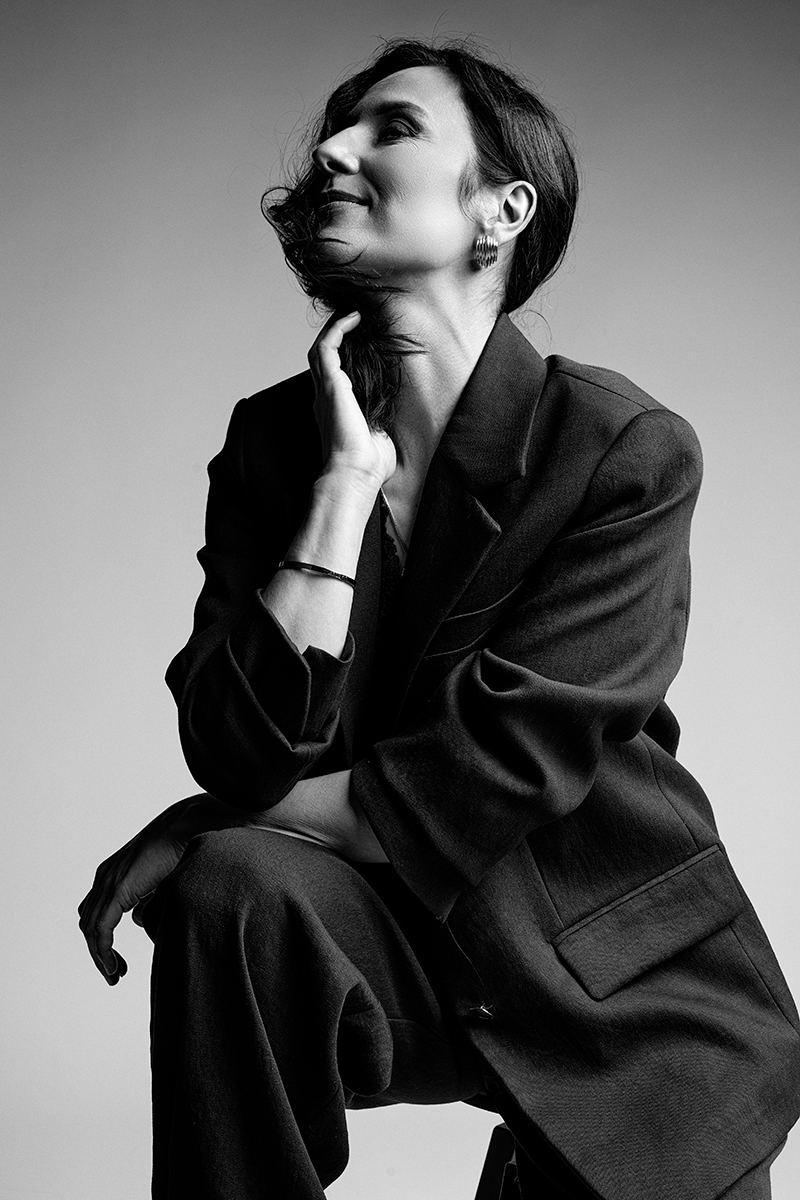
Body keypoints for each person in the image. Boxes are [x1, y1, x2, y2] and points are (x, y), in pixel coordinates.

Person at [79, 38, 800, 1200]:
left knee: (221, 844)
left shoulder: (618, 450)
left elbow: (485, 774)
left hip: (619, 998)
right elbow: (236, 742)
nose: (330, 149)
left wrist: (205, 814)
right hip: (402, 950)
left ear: (500, 210)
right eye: (335, 127)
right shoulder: (275, 447)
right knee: (229, 890)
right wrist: (339, 490)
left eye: (391, 128)